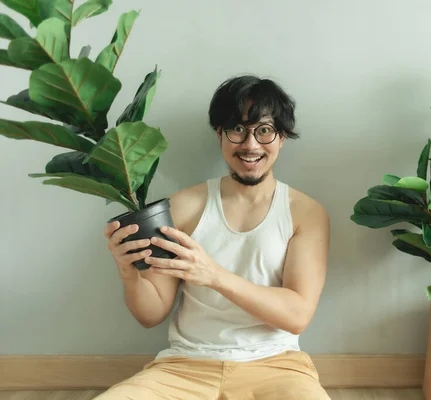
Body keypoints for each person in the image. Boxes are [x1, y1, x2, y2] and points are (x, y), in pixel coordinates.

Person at [95, 75, 331, 399]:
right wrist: (128, 274)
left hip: (278, 367)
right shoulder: (183, 207)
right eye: (237, 129)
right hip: (183, 367)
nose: (250, 145)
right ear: (219, 134)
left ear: (282, 138)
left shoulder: (305, 213)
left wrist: (214, 275)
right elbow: (151, 314)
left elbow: (297, 315)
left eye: (264, 130)